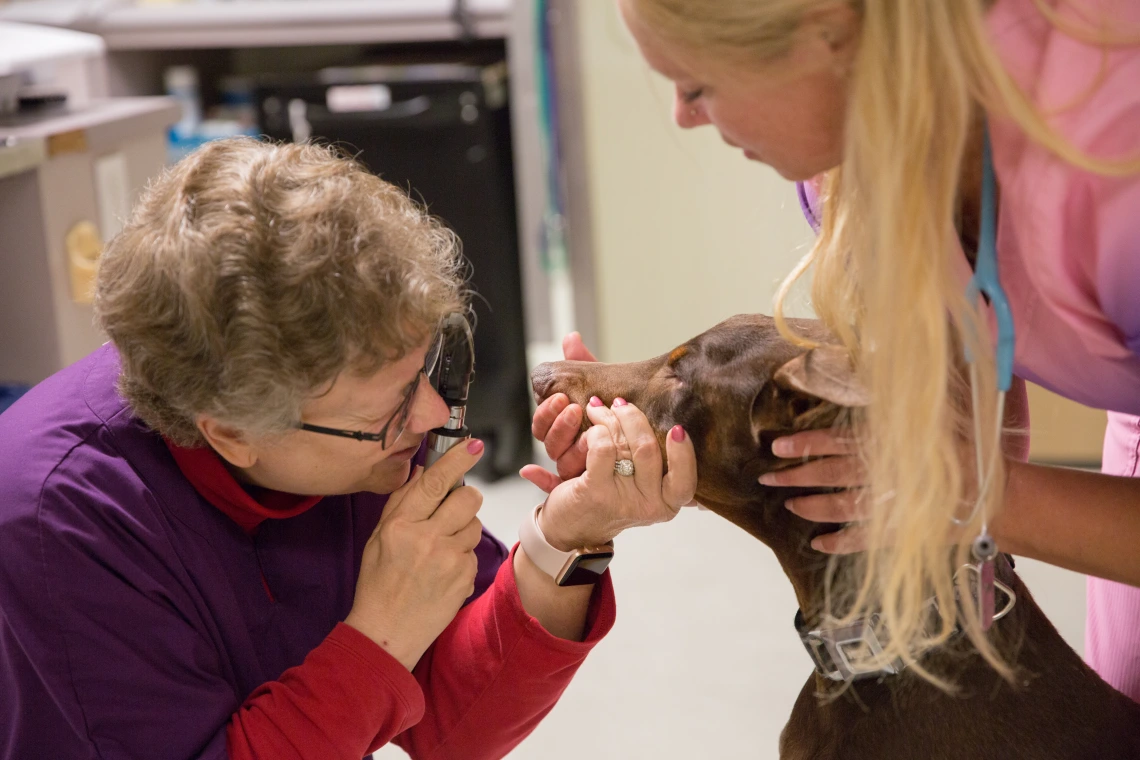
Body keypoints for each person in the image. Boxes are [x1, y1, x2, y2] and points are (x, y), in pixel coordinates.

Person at [0, 138, 697, 759]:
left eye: (429, 366)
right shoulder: (57, 525)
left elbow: (452, 730)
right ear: (235, 433)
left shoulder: (353, 433)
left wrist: (565, 540)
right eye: (392, 406)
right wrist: (381, 635)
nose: (428, 415)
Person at [531, 0, 1140, 694]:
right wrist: (702, 448)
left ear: (829, 32)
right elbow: (952, 432)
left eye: (699, 86)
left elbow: (961, 480)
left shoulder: (1116, 177)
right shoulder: (846, 167)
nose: (683, 117)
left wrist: (967, 492)